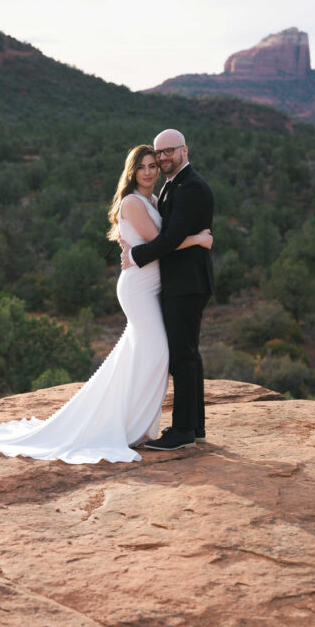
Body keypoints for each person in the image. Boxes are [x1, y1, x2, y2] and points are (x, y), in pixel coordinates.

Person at [0, 144, 212, 464]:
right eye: (141, 166)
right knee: (156, 352)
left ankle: (134, 425)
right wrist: (197, 240)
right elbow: (161, 242)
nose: (148, 171)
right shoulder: (132, 202)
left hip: (151, 287)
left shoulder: (153, 200)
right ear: (132, 171)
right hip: (139, 289)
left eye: (152, 166)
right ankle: (130, 428)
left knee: (143, 354)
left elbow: (162, 237)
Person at [121, 129, 215, 451]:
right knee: (187, 354)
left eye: (168, 151)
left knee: (181, 356)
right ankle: (195, 427)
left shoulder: (190, 188)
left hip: (186, 282)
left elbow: (170, 238)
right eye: (159, 153)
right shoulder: (169, 187)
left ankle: (183, 431)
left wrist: (134, 255)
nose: (162, 158)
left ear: (184, 150)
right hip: (177, 282)